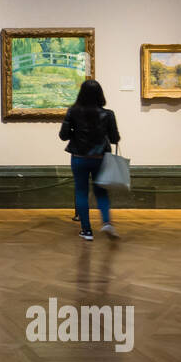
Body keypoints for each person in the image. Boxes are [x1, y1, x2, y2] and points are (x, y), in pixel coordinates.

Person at [59, 79, 121, 241]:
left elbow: (63, 136)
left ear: (81, 94)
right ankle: (107, 222)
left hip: (79, 158)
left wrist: (76, 133)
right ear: (100, 95)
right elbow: (115, 138)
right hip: (100, 158)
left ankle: (86, 231)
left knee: (81, 191)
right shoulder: (108, 114)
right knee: (101, 192)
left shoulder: (72, 112)